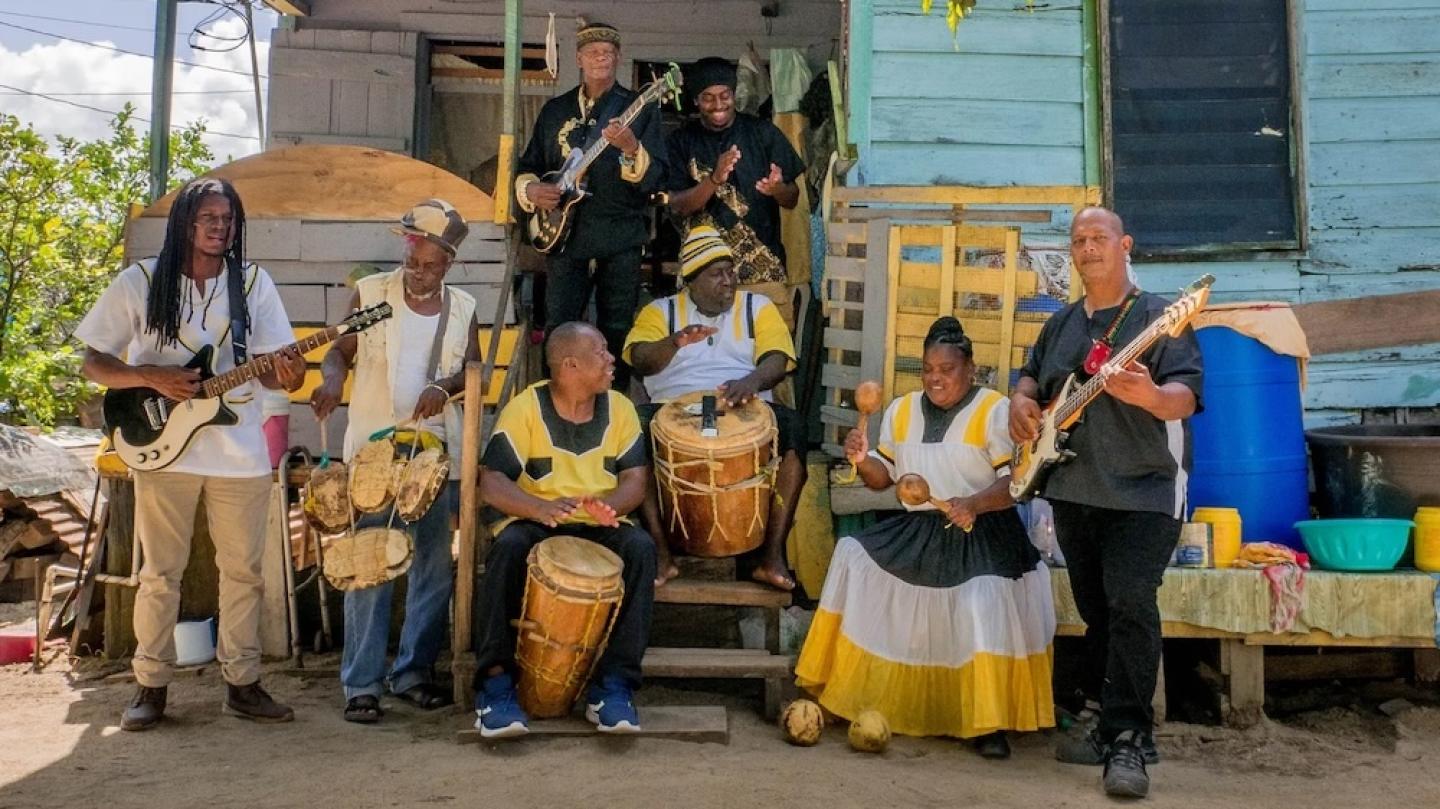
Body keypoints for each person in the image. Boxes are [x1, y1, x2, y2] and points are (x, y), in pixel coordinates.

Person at [76, 177, 307, 731]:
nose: (219, 228)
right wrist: (146, 376)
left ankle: (242, 683)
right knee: (160, 573)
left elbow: (283, 367)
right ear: (183, 221)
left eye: (227, 219)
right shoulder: (141, 281)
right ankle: (151, 685)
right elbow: (94, 362)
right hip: (165, 448)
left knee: (244, 573)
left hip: (240, 448)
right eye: (208, 218)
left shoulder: (250, 283)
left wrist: (290, 371)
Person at [794, 316, 1055, 758]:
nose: (935, 378)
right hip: (921, 529)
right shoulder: (900, 409)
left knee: (982, 595)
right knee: (851, 554)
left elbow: (1015, 483)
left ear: (970, 369)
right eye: (927, 369)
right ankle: (854, 692)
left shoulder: (993, 411)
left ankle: (986, 723)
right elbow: (884, 478)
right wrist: (860, 459)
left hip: (983, 531)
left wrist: (971, 504)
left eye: (946, 369)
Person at [1009, 207, 1204, 798]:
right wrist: (1020, 405)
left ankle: (1129, 739)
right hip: (1074, 488)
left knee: (1130, 602)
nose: (1088, 247)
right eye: (1079, 240)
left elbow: (1184, 399)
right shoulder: (1062, 324)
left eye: (1099, 238)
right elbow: (1030, 378)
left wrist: (1148, 393)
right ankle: (1102, 711)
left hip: (1144, 490)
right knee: (1097, 608)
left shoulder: (1160, 319)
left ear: (1125, 245)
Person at [311, 199, 481, 723]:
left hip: (433, 458)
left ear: (448, 262)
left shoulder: (463, 308)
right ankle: (361, 684)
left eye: (431, 266)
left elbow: (475, 373)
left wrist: (443, 387)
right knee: (369, 563)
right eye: (413, 262)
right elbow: (340, 350)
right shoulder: (376, 294)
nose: (419, 274)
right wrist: (333, 380)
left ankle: (411, 674)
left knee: (432, 567)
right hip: (374, 453)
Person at [471, 322, 656, 737]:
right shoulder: (526, 408)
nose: (612, 360)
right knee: (507, 549)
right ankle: (495, 686)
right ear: (571, 365)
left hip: (598, 526)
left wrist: (611, 506)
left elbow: (635, 481)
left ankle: (614, 686)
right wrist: (540, 508)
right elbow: (493, 481)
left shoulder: (621, 409)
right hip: (537, 523)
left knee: (641, 549)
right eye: (603, 352)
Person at [622, 226, 804, 590]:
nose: (728, 280)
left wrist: (751, 382)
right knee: (630, 438)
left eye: (730, 270)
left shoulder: (758, 307)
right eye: (716, 273)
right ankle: (661, 555)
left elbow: (778, 358)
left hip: (745, 404)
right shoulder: (661, 311)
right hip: (671, 409)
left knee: (795, 432)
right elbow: (639, 359)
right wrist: (674, 342)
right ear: (691, 280)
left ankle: (770, 557)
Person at [514, 21, 665, 391]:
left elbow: (657, 174)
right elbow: (529, 164)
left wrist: (631, 149)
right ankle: (554, 403)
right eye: (594, 52)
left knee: (617, 326)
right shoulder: (555, 110)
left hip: (620, 233)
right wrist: (532, 190)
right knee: (559, 323)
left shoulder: (637, 107)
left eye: (609, 53)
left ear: (618, 59)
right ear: (579, 59)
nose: (602, 58)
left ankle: (612, 406)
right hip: (565, 235)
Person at [664, 56, 805, 287]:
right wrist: (714, 180)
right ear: (696, 100)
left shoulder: (763, 133)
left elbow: (792, 200)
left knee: (766, 324)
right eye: (708, 98)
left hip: (763, 270)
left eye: (724, 96)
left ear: (733, 95)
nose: (718, 105)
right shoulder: (681, 141)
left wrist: (777, 188)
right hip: (702, 274)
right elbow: (678, 205)